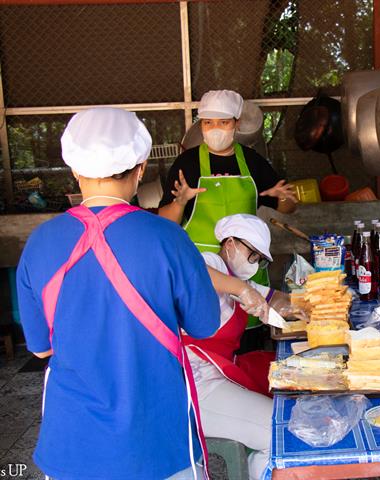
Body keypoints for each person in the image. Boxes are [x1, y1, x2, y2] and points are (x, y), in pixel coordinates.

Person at [16, 108, 220, 480]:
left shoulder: (40, 242)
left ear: (75, 171)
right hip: (158, 444)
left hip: (72, 445)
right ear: (141, 169)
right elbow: (205, 325)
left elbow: (41, 348)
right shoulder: (168, 237)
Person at [158, 89, 297, 346]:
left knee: (248, 342)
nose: (215, 129)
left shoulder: (253, 162)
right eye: (208, 123)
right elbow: (166, 223)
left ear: (237, 124)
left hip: (247, 270)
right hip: (202, 272)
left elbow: (287, 206)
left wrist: (285, 197)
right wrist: (180, 201)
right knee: (207, 340)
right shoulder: (187, 163)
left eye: (223, 122)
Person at [181, 213, 301, 480]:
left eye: (259, 259)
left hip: (219, 371)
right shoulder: (212, 263)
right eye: (252, 254)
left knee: (290, 377)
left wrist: (308, 307)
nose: (254, 263)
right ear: (231, 243)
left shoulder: (239, 280)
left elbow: (276, 300)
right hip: (194, 386)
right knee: (283, 433)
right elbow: (190, 268)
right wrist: (241, 289)